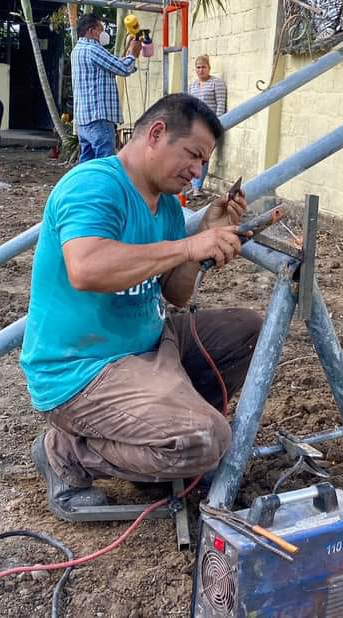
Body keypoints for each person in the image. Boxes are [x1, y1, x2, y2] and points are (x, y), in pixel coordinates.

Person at [21, 93, 261, 519]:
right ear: (156, 134)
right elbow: (87, 268)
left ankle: (157, 443)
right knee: (206, 440)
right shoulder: (94, 185)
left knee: (246, 332)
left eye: (204, 162)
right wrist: (187, 246)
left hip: (148, 345)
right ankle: (65, 452)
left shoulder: (166, 205)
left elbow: (175, 294)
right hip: (83, 368)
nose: (197, 171)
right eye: (193, 155)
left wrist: (201, 242)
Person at [71, 13, 141, 162]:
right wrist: (133, 54)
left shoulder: (77, 50)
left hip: (84, 119)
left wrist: (128, 55)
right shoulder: (92, 49)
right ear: (91, 31)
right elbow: (123, 69)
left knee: (88, 163)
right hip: (98, 118)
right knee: (105, 162)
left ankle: (87, 179)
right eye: (101, 29)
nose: (103, 33)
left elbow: (113, 66)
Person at [187, 55, 227, 193]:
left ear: (209, 68)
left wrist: (216, 126)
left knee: (203, 155)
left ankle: (197, 187)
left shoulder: (216, 83)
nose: (200, 70)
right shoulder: (193, 85)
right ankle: (194, 185)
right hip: (195, 127)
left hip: (210, 127)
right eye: (198, 67)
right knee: (193, 155)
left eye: (203, 67)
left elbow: (220, 105)